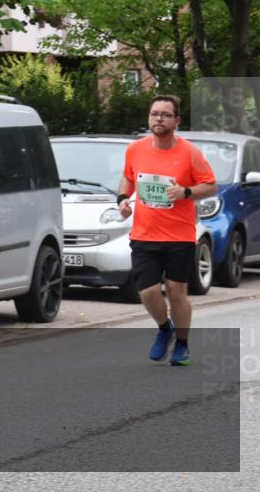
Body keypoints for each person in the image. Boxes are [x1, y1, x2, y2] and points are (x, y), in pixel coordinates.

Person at [117, 94, 216, 366]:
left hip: (179, 236)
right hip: (144, 234)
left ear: (176, 120)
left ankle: (182, 344)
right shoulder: (135, 149)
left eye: (165, 114)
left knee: (175, 291)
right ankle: (165, 328)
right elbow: (128, 177)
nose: (158, 118)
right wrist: (122, 199)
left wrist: (186, 192)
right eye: (154, 113)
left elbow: (210, 185)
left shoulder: (190, 152)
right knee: (148, 292)